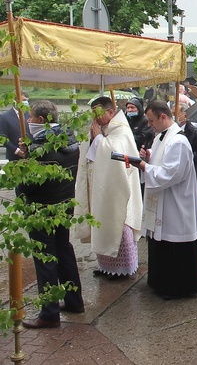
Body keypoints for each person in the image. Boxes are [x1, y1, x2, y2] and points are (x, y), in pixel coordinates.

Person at [17, 100, 85, 329]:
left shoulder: (40, 148)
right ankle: (74, 301)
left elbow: (27, 184)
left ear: (41, 120)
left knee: (44, 258)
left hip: (42, 209)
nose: (28, 121)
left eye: (31, 118)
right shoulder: (70, 139)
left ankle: (49, 313)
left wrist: (23, 160)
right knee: (64, 250)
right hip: (64, 204)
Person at [134, 100, 197, 299]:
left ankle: (178, 287)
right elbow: (160, 162)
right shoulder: (160, 137)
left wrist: (143, 166)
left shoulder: (178, 141)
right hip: (163, 199)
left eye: (151, 121)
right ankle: (161, 282)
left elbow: (171, 173)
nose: (149, 124)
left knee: (173, 242)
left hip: (176, 201)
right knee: (161, 241)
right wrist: (149, 157)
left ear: (163, 117)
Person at [74, 96, 143, 279]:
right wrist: (92, 139)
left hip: (116, 188)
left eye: (98, 113)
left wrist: (98, 139)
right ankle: (105, 266)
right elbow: (89, 152)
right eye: (93, 114)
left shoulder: (121, 130)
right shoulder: (101, 128)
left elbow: (116, 155)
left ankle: (122, 269)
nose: (95, 118)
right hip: (100, 185)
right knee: (100, 222)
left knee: (116, 225)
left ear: (111, 112)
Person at [173, 105, 197, 221]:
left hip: (191, 172)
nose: (174, 117)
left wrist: (186, 156)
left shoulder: (196, 132)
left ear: (184, 116)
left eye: (176, 114)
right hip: (176, 172)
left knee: (193, 200)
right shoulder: (172, 132)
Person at [0, 93, 29, 161]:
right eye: (24, 100)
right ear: (15, 101)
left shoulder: (30, 114)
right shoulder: (4, 117)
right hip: (14, 157)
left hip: (30, 156)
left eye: (27, 100)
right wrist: (17, 151)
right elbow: (2, 137)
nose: (26, 102)